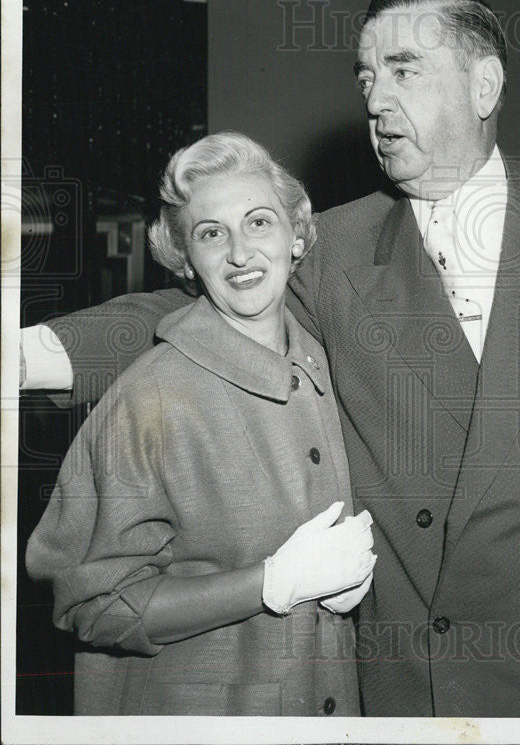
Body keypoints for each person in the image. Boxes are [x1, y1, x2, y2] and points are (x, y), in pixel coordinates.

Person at [21, 0, 520, 717]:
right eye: (368, 77)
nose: (376, 101)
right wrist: (26, 355)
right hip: (419, 685)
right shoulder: (341, 246)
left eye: (404, 70)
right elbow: (189, 316)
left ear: (485, 84)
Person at [25, 132, 376, 715]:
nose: (240, 253)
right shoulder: (149, 399)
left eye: (259, 223)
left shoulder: (332, 368)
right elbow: (91, 605)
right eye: (212, 233)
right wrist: (267, 584)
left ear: (298, 235)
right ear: (186, 258)